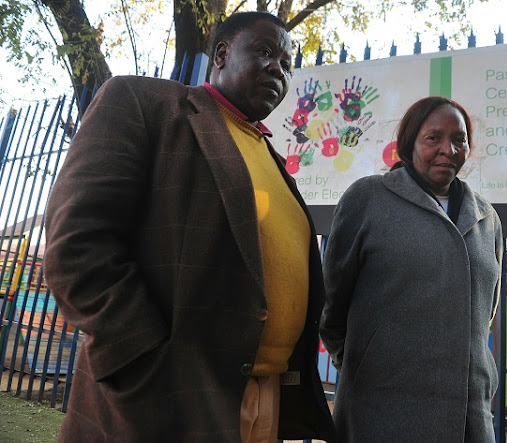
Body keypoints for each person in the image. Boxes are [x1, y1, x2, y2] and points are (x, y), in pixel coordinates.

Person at [43, 11, 335, 443]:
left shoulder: (273, 159)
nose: (279, 68)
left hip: (262, 403)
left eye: (287, 63)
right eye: (265, 52)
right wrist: (144, 358)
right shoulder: (146, 104)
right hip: (165, 395)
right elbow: (77, 244)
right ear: (221, 54)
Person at [320, 96, 503, 442]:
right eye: (433, 137)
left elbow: (484, 313)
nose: (448, 149)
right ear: (409, 143)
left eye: (459, 139)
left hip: (469, 415)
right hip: (381, 409)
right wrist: (364, 363)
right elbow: (332, 304)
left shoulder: (487, 217)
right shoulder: (368, 199)